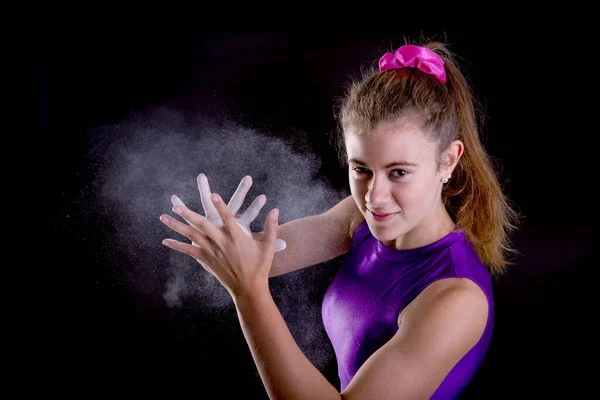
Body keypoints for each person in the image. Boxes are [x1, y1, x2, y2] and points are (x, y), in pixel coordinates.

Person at [159, 39, 520, 399]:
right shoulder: (361, 217)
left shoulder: (456, 299)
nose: (373, 197)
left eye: (399, 173)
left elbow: (249, 279)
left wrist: (249, 294)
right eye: (361, 169)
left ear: (448, 161)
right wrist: (225, 240)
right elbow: (258, 260)